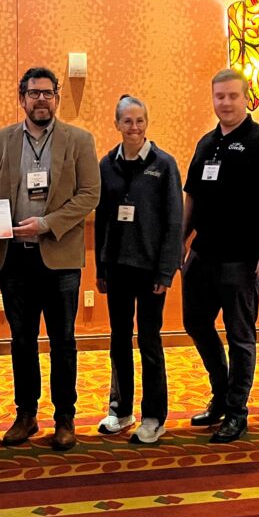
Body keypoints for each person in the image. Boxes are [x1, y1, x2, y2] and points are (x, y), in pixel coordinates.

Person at [0, 66, 100, 451]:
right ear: (22, 98)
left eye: (48, 93)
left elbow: (89, 194)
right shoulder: (0, 140)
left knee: (63, 341)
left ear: (57, 98)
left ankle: (65, 419)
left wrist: (46, 223)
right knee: (22, 340)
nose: (41, 99)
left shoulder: (79, 140)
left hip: (59, 259)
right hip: (14, 259)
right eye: (34, 93)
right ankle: (25, 415)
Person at [182, 70, 259, 443]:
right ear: (212, 99)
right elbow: (192, 199)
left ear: (247, 98)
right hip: (203, 255)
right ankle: (220, 393)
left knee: (240, 335)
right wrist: (178, 244)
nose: (225, 103)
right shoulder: (205, 144)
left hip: (245, 258)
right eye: (219, 96)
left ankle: (236, 410)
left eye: (232, 96)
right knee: (196, 324)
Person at [94, 95, 183, 445]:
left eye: (140, 121)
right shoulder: (106, 165)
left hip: (150, 271)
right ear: (117, 124)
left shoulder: (164, 165)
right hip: (116, 267)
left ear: (147, 123)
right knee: (118, 339)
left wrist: (165, 272)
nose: (134, 127)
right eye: (127, 121)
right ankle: (121, 409)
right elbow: (102, 220)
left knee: (149, 341)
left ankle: (154, 416)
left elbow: (174, 221)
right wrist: (101, 268)